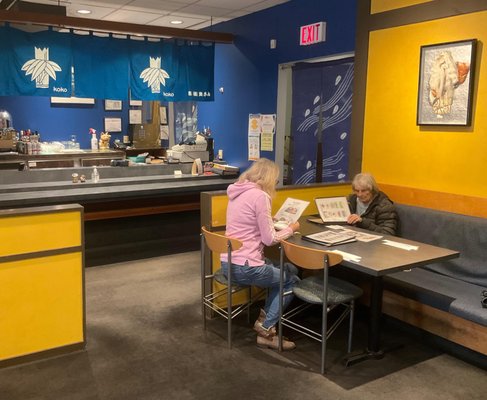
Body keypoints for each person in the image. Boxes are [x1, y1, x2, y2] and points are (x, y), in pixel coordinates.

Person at [220, 158, 300, 350]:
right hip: (247, 267)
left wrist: (267, 220)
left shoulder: (237, 191)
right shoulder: (260, 196)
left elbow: (246, 223)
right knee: (291, 280)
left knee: (288, 268)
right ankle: (266, 329)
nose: (276, 184)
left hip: (228, 263)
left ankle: (268, 319)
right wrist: (291, 228)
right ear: (269, 178)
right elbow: (269, 240)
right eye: (277, 180)